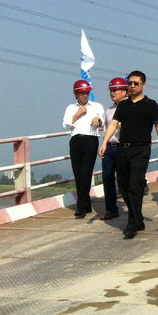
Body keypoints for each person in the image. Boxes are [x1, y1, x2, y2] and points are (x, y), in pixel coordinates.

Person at [99, 70, 158, 239]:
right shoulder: (123, 105)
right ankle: (138, 219)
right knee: (123, 187)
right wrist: (104, 142)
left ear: (143, 85)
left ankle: (132, 223)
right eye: (130, 83)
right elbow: (113, 124)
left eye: (136, 83)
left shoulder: (151, 104)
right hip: (123, 149)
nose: (132, 86)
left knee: (134, 186)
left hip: (141, 149)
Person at [63, 80, 105, 219]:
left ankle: (80, 207)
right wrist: (77, 114)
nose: (85, 95)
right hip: (76, 140)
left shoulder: (97, 106)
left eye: (87, 92)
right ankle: (86, 205)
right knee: (78, 173)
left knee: (86, 172)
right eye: (82, 93)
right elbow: (66, 125)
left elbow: (104, 124)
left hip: (91, 140)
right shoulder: (70, 108)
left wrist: (98, 120)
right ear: (76, 94)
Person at [99, 77, 128, 220]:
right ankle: (111, 209)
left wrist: (126, 127)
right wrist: (103, 144)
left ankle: (133, 207)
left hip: (124, 148)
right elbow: (105, 129)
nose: (112, 93)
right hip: (110, 147)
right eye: (111, 90)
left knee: (124, 180)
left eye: (115, 90)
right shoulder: (109, 110)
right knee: (107, 178)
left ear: (124, 92)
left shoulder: (130, 108)